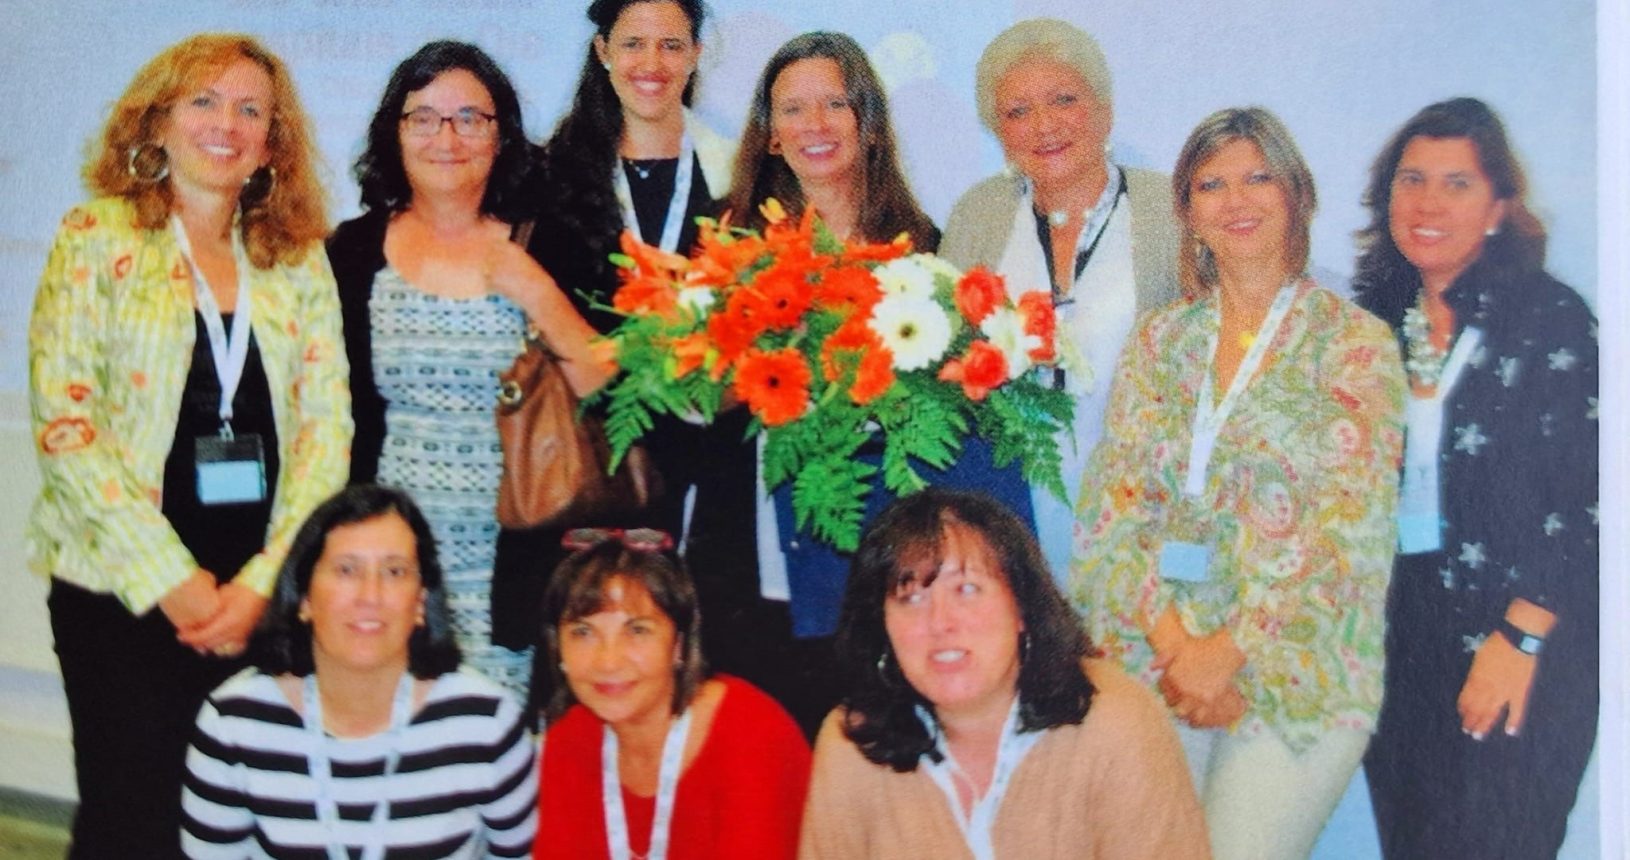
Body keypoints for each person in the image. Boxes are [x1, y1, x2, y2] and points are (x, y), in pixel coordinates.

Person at [27, 33, 350, 858]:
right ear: (158, 122)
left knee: (246, 822)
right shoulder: (96, 235)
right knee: (131, 819)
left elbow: (328, 429)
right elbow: (66, 427)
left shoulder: (297, 257)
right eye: (203, 101)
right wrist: (173, 583)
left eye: (250, 110)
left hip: (260, 587)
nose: (226, 124)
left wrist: (263, 585)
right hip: (121, 584)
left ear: (272, 142)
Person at [1069, 107, 1404, 860]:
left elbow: (1350, 537)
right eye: (1211, 185)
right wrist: (1177, 648)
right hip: (1155, 653)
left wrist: (1227, 652)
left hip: (1296, 668)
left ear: (1297, 195)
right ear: (1187, 212)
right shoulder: (1160, 340)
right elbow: (1111, 512)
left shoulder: (1355, 344)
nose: (1236, 200)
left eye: (1258, 178)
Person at [693, 29, 988, 737]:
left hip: (884, 564)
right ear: (769, 134)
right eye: (792, 109)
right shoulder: (726, 241)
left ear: (868, 123)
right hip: (754, 566)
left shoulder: (924, 250)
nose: (814, 126)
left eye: (834, 104)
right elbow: (690, 397)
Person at [1354, 97, 1598, 860]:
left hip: (1525, 638)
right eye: (1411, 180)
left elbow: (1590, 498)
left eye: (1456, 183)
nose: (1428, 203)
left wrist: (1519, 638)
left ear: (1498, 208)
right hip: (1401, 646)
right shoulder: (1368, 328)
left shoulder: (1551, 320)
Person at [327, 41, 607, 700]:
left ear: (501, 135)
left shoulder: (552, 241)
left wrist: (536, 290)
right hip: (389, 552)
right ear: (395, 132)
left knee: (496, 730)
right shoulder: (353, 251)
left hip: (516, 549)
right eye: (424, 118)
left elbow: (606, 394)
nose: (446, 139)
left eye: (470, 119)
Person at [494, 0, 734, 690]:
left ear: (696, 54)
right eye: (632, 44)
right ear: (602, 51)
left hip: (707, 482)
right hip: (583, 478)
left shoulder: (735, 175)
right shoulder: (547, 177)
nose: (651, 64)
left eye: (671, 45)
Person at [799, 489, 1207, 859]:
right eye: (911, 598)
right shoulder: (852, 744)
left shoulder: (1113, 720)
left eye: (967, 589)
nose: (940, 622)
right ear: (883, 626)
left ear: (1022, 609)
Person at [939, 18, 1183, 583]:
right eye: (1017, 111)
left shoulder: (1169, 210)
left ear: (1104, 110)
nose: (1044, 125)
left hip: (1143, 513)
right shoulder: (977, 214)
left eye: (1063, 100)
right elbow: (948, 367)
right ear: (998, 131)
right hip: (1007, 516)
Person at [180, 484, 538, 858]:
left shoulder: (485, 721)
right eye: (347, 570)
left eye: (395, 571)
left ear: (420, 602)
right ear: (304, 598)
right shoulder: (234, 722)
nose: (370, 596)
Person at [536, 528, 810, 859]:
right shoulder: (568, 740)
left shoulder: (751, 735)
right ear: (558, 648)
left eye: (637, 630)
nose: (608, 661)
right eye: (583, 632)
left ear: (678, 644)